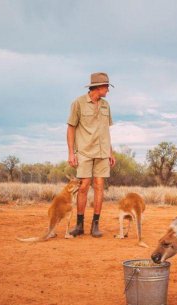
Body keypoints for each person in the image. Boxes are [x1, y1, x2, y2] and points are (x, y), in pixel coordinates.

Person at [66, 72, 116, 237]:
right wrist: (71, 153)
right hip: (85, 152)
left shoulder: (106, 105)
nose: (108, 90)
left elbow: (106, 130)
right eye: (106, 87)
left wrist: (110, 152)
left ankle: (95, 225)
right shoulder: (78, 103)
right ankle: (79, 225)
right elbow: (71, 128)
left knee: (100, 187)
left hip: (102, 152)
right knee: (84, 187)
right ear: (98, 87)